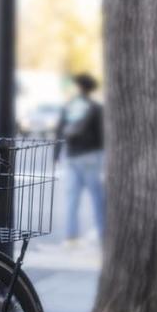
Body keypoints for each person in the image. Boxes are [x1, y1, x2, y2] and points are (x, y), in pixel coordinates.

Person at [55, 72, 105, 243]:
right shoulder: (96, 108)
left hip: (71, 156)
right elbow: (102, 135)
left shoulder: (70, 106)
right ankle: (103, 233)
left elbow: (59, 130)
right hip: (91, 156)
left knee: (72, 199)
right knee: (98, 198)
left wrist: (56, 154)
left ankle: (71, 237)